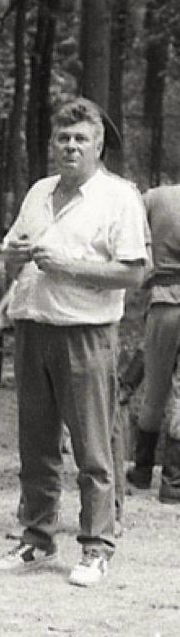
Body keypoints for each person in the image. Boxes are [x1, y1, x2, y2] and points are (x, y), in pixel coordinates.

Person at [0, 97, 148, 587]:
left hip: (86, 333)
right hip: (33, 328)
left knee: (92, 447)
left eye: (81, 138)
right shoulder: (39, 192)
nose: (71, 146)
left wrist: (67, 267)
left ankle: (97, 546)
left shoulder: (119, 197)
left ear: (99, 145)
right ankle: (36, 538)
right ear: (52, 144)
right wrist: (14, 256)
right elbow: (11, 261)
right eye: (63, 138)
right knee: (36, 446)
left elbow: (135, 274)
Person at [126, 182, 180, 504]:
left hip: (162, 301)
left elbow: (134, 239)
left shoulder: (155, 197)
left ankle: (143, 469)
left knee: (156, 389)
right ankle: (173, 482)